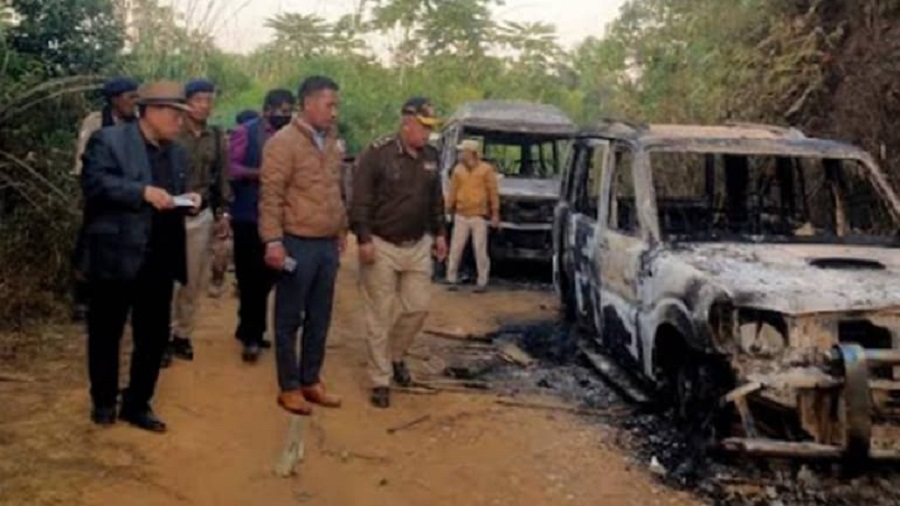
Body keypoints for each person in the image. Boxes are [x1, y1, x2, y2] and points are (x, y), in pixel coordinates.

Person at [81, 81, 200, 433]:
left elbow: (173, 196)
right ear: (152, 111)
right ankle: (104, 401)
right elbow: (95, 184)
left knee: (153, 337)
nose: (180, 122)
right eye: (175, 114)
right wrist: (141, 192)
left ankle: (137, 403)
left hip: (159, 258)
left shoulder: (176, 153)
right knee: (106, 332)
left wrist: (190, 201)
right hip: (116, 255)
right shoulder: (109, 141)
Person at [350, 97, 448, 409]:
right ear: (407, 124)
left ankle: (395, 355)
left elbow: (436, 199)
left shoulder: (431, 156)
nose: (427, 134)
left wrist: (441, 233)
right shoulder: (377, 154)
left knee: (418, 307)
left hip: (417, 244)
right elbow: (360, 199)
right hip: (381, 243)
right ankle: (380, 379)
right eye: (423, 127)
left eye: (431, 128)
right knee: (379, 315)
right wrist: (363, 238)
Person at [260, 76, 346, 416]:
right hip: (296, 242)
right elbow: (271, 196)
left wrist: (341, 228)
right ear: (308, 103)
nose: (334, 112)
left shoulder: (332, 141)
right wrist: (273, 241)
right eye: (329, 105)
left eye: (336, 105)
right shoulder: (283, 143)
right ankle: (289, 386)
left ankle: (311, 379)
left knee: (320, 316)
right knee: (288, 317)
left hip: (327, 243)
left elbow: (336, 190)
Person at [163, 79, 231, 367]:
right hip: (169, 214)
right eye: (198, 100)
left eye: (208, 100)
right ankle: (162, 337)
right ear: (186, 102)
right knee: (167, 281)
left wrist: (223, 213)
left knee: (192, 280)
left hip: (200, 215)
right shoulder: (171, 133)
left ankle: (183, 334)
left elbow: (222, 177)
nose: (204, 105)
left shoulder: (216, 137)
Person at [229, 89, 295, 362]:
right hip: (248, 215)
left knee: (270, 276)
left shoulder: (293, 135)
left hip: (282, 217)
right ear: (267, 110)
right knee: (249, 277)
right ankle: (252, 335)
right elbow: (231, 167)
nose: (285, 115)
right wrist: (261, 174)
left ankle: (250, 326)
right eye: (280, 110)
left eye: (289, 110)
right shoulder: (246, 132)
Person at [71, 77, 140, 322]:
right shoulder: (95, 122)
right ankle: (83, 298)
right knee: (90, 245)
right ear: (115, 99)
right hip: (100, 193)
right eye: (130, 97)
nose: (135, 102)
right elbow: (83, 159)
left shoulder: (138, 123)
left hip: (129, 193)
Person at [445, 139, 500, 292]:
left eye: (463, 151)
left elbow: (493, 192)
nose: (460, 154)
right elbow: (452, 191)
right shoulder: (458, 170)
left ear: (471, 153)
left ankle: (482, 281)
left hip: (479, 216)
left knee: (480, 249)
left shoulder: (486, 170)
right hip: (461, 214)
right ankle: (451, 278)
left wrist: (495, 213)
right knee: (456, 248)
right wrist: (448, 208)